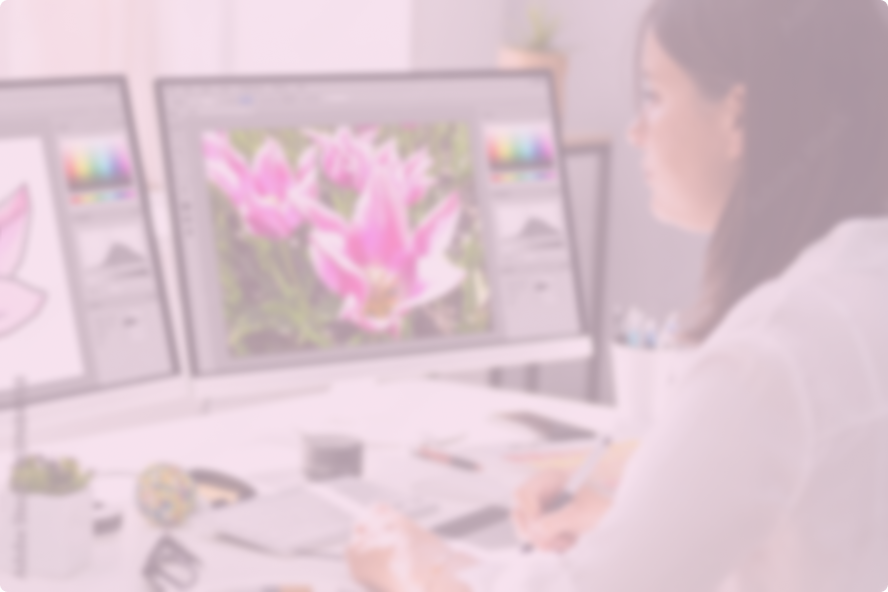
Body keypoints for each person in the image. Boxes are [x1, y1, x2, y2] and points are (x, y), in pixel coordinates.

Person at [348, 0, 888, 590]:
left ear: (740, 118)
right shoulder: (856, 282)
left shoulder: (769, 354)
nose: (634, 131)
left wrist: (418, 568)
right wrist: (644, 523)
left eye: (653, 96)